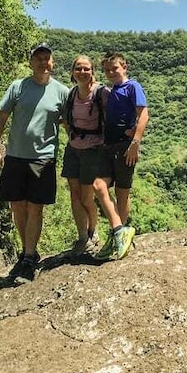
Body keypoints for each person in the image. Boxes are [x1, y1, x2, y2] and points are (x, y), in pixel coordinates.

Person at [0, 42, 69, 281]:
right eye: (38, 58)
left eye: (47, 58)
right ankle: (28, 254)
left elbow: (70, 124)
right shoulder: (18, 87)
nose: (43, 62)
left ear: (52, 62)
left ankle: (28, 257)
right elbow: (0, 118)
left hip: (42, 158)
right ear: (31, 62)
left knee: (35, 207)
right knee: (18, 207)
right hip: (15, 156)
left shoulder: (61, 92)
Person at [60, 55, 121, 257]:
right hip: (73, 149)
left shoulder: (101, 93)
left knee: (87, 197)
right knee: (74, 195)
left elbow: (116, 114)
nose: (83, 72)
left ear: (92, 71)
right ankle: (83, 238)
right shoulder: (71, 94)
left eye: (87, 69)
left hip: (94, 150)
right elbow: (67, 119)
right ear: (72, 72)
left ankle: (93, 233)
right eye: (79, 68)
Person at [95, 51, 148, 261]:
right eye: (107, 70)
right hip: (108, 146)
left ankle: (118, 236)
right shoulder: (111, 90)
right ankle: (119, 231)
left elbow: (143, 113)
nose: (111, 72)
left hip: (125, 147)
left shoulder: (132, 86)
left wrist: (135, 142)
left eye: (114, 68)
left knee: (122, 192)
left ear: (124, 67)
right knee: (99, 186)